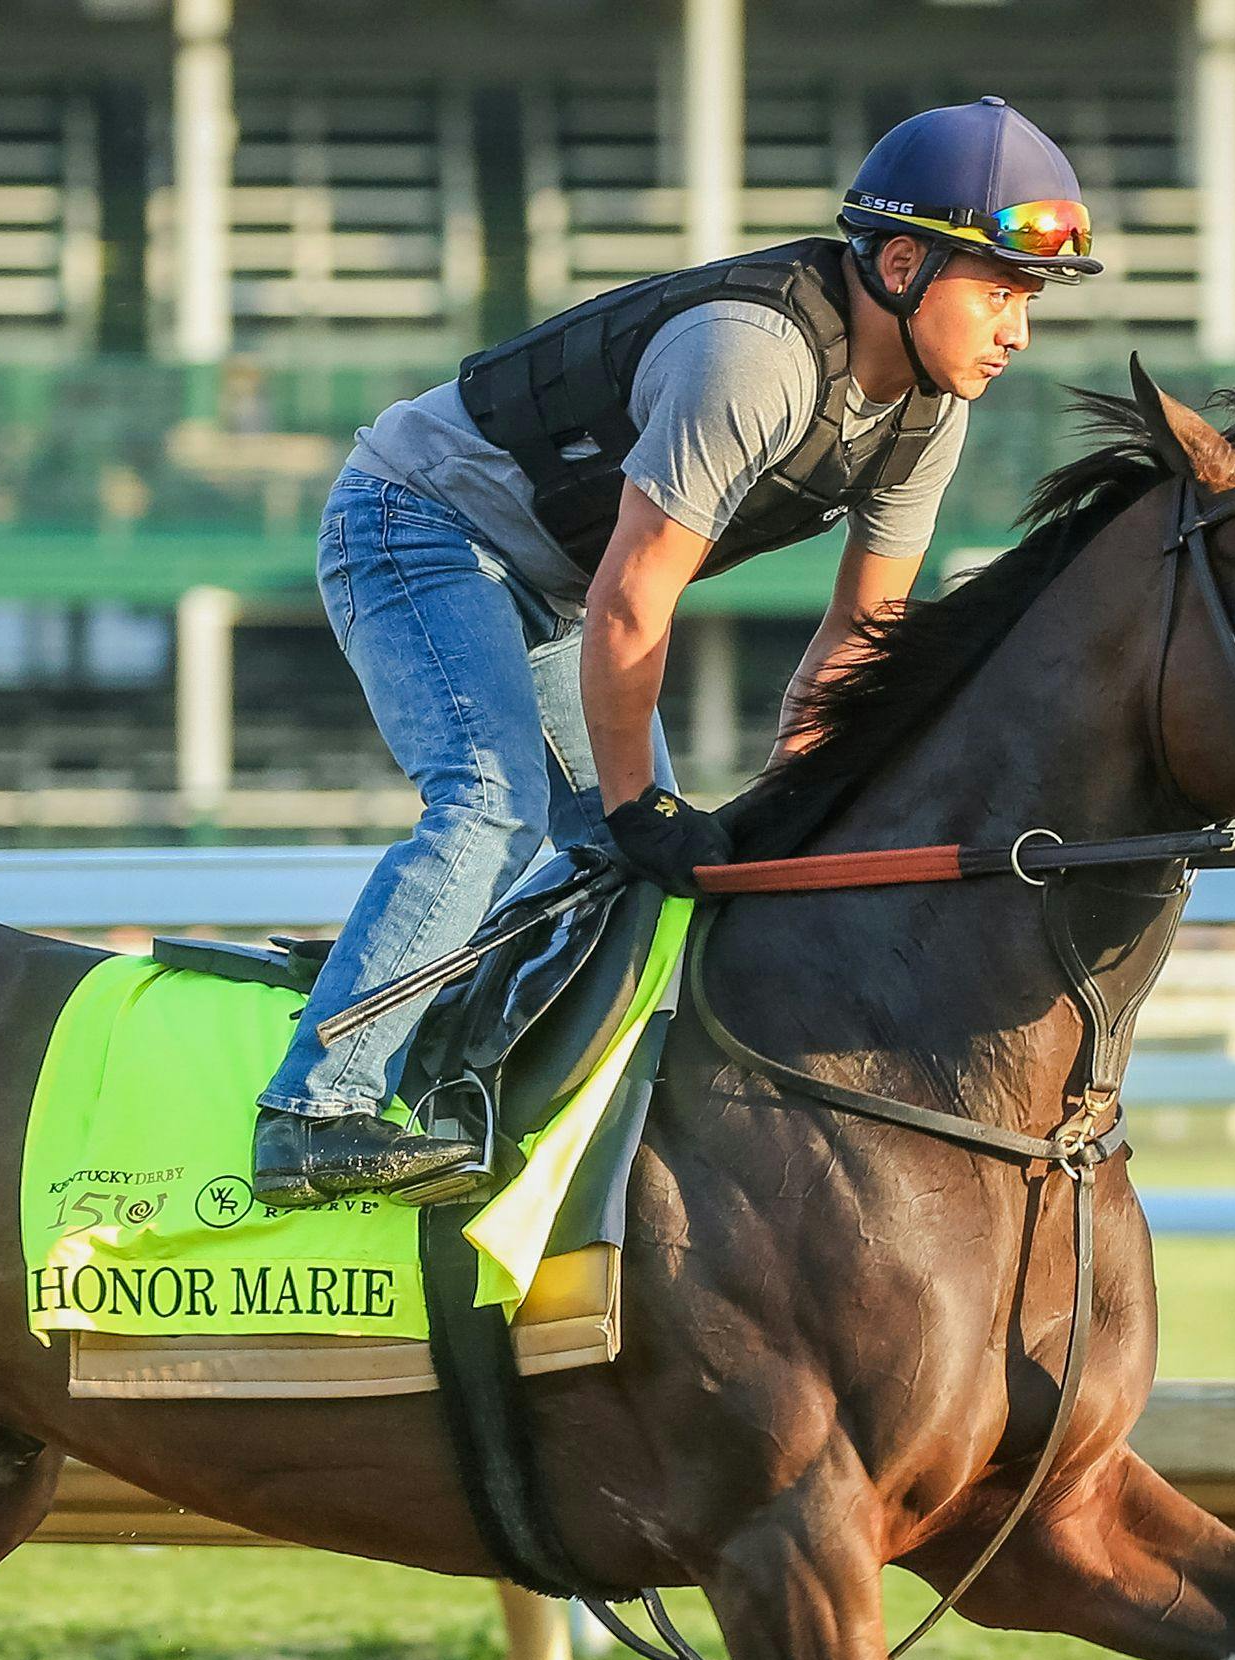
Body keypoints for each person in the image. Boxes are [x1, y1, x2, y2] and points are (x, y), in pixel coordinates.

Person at [249, 97, 1104, 1210]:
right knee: (497, 806)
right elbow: (633, 605)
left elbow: (859, 637)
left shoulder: (930, 417)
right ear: (900, 262)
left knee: (610, 862)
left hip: (552, 582)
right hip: (416, 524)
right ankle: (311, 1113)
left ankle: (455, 1070)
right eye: (998, 292)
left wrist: (804, 807)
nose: (1016, 332)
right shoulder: (752, 358)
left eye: (1026, 300)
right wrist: (641, 802)